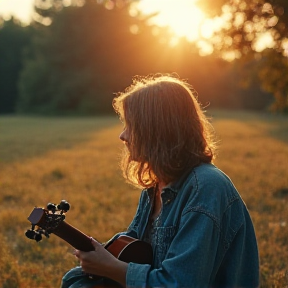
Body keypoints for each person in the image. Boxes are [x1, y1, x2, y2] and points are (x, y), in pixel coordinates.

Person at [61, 74, 259, 288]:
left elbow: (180, 283)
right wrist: (102, 258)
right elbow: (134, 250)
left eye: (131, 126)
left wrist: (111, 268)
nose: (123, 135)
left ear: (156, 129)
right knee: (76, 281)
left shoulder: (206, 188)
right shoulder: (157, 185)